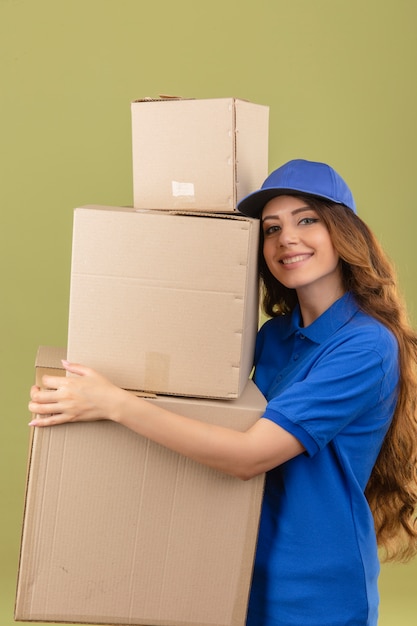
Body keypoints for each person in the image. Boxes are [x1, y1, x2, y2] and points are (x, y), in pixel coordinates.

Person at [28, 159, 417, 626]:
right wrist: (84, 390)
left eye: (306, 220)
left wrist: (113, 403)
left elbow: (248, 456)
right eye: (270, 229)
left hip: (315, 595)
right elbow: (193, 396)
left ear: (345, 232)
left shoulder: (366, 346)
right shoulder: (275, 336)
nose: (286, 238)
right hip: (233, 571)